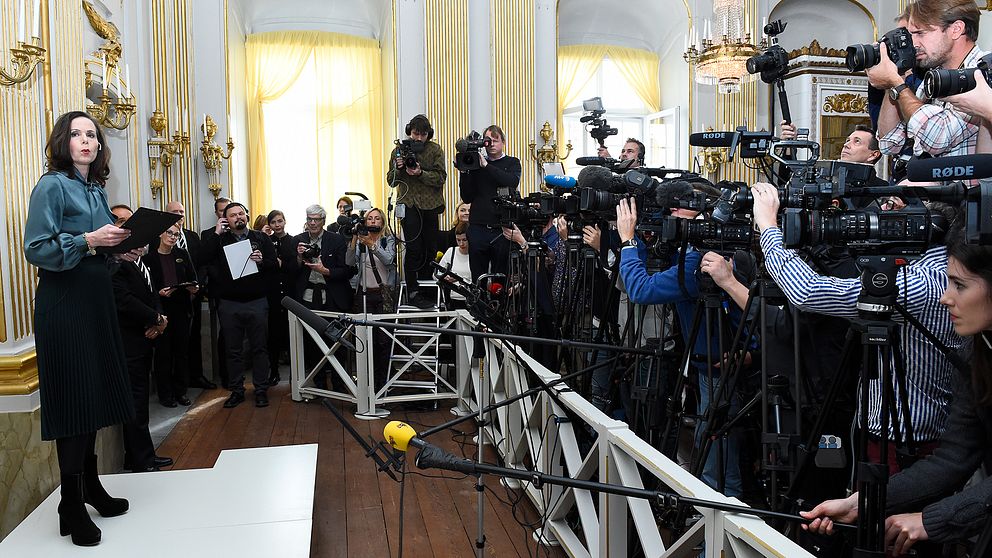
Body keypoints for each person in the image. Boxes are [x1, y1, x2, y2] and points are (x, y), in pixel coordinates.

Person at [801, 229, 992, 557]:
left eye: (959, 285)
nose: (946, 298)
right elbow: (955, 457)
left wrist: (932, 520)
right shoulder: (975, 353)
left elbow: (806, 292)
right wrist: (860, 503)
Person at [750, 182, 961, 473]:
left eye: (896, 210)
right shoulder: (925, 272)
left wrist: (768, 226)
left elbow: (807, 292)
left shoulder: (923, 284)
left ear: (926, 226)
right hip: (898, 430)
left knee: (888, 517)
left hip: (903, 437)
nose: (883, 215)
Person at [23, 111, 140, 546]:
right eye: (76, 134)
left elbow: (101, 245)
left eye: (92, 134)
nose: (86, 141)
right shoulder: (50, 185)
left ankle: (89, 487)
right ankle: (69, 502)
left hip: (96, 303)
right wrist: (91, 241)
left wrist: (121, 251)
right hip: (65, 305)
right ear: (63, 142)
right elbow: (36, 248)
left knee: (91, 395)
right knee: (74, 398)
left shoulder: (96, 189)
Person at [616, 183, 747, 498]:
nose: (670, 213)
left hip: (718, 363)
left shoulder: (702, 259)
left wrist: (628, 242)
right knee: (709, 436)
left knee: (714, 444)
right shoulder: (692, 248)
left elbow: (641, 290)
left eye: (678, 206)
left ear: (704, 208)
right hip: (707, 361)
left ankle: (722, 520)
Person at [874, 0, 987, 159]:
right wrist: (894, 77)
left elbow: (938, 139)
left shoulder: (982, 73)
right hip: (935, 182)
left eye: (920, 33)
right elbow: (890, 144)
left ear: (956, 29)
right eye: (911, 34)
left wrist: (897, 84)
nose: (913, 43)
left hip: (966, 184)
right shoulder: (934, 76)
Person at [109, 205, 174, 474]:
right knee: (135, 404)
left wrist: (159, 319)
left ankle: (142, 453)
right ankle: (141, 459)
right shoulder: (116, 266)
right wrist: (155, 319)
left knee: (140, 402)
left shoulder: (138, 262)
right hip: (129, 343)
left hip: (145, 338)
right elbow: (124, 301)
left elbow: (151, 296)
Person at [200, 202, 278, 409]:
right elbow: (201, 258)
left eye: (241, 213)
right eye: (233, 215)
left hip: (257, 302)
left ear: (247, 216)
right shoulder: (219, 240)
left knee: (259, 348)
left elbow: (274, 265)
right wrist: (216, 233)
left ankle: (261, 389)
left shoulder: (261, 238)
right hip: (229, 303)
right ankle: (237, 390)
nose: (238, 217)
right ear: (226, 219)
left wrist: (262, 261)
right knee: (232, 350)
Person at [387, 115, 447, 309]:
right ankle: (413, 292)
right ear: (409, 132)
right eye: (415, 133)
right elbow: (391, 181)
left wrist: (421, 173)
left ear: (429, 134)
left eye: (422, 134)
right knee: (413, 248)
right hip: (409, 204)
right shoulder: (398, 151)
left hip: (430, 205)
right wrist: (398, 168)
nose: (419, 138)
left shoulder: (435, 150)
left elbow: (440, 178)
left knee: (430, 248)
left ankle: (427, 290)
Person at [458, 124, 522, 282]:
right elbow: (467, 197)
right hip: (478, 228)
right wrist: (464, 171)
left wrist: (486, 166)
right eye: (488, 141)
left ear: (503, 141)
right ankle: (478, 307)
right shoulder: (475, 165)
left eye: (495, 140)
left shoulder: (512, 162)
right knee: (477, 277)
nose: (492, 144)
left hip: (501, 229)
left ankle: (499, 306)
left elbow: (511, 181)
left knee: (500, 277)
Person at [146, 224, 199, 408]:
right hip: (161, 310)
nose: (173, 237)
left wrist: (194, 287)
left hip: (181, 308)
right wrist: (158, 293)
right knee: (163, 354)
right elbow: (148, 287)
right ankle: (165, 394)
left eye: (176, 235)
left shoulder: (182, 255)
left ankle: (180, 391)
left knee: (181, 353)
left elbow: (193, 278)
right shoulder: (149, 258)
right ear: (161, 233)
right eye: (169, 232)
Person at [163, 200, 215, 390]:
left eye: (181, 211)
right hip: (171, 299)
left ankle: (196, 376)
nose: (179, 215)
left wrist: (197, 286)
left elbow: (202, 263)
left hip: (193, 296)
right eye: (174, 212)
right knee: (173, 344)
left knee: (194, 338)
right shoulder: (158, 237)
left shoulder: (193, 237)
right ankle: (175, 383)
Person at [345, 208, 397, 387]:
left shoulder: (387, 239)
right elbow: (349, 262)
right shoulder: (360, 241)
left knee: (383, 340)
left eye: (376, 219)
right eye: (370, 219)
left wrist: (372, 245)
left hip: (383, 295)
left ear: (382, 222)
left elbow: (389, 260)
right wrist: (354, 239)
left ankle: (382, 383)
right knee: (366, 339)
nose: (373, 221)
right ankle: (366, 382)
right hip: (363, 294)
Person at [266, 209, 297, 384]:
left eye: (280, 221)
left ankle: (295, 373)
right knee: (273, 336)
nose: (277, 225)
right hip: (271, 295)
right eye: (273, 222)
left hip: (290, 294)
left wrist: (281, 263)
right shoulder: (266, 241)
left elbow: (295, 268)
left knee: (291, 335)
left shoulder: (293, 241)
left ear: (285, 221)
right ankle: (274, 372)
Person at [436, 222, 471, 308]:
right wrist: (445, 278)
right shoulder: (451, 252)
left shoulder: (477, 254)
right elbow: (437, 274)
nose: (461, 244)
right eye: (458, 240)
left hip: (472, 299)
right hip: (454, 299)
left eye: (464, 240)